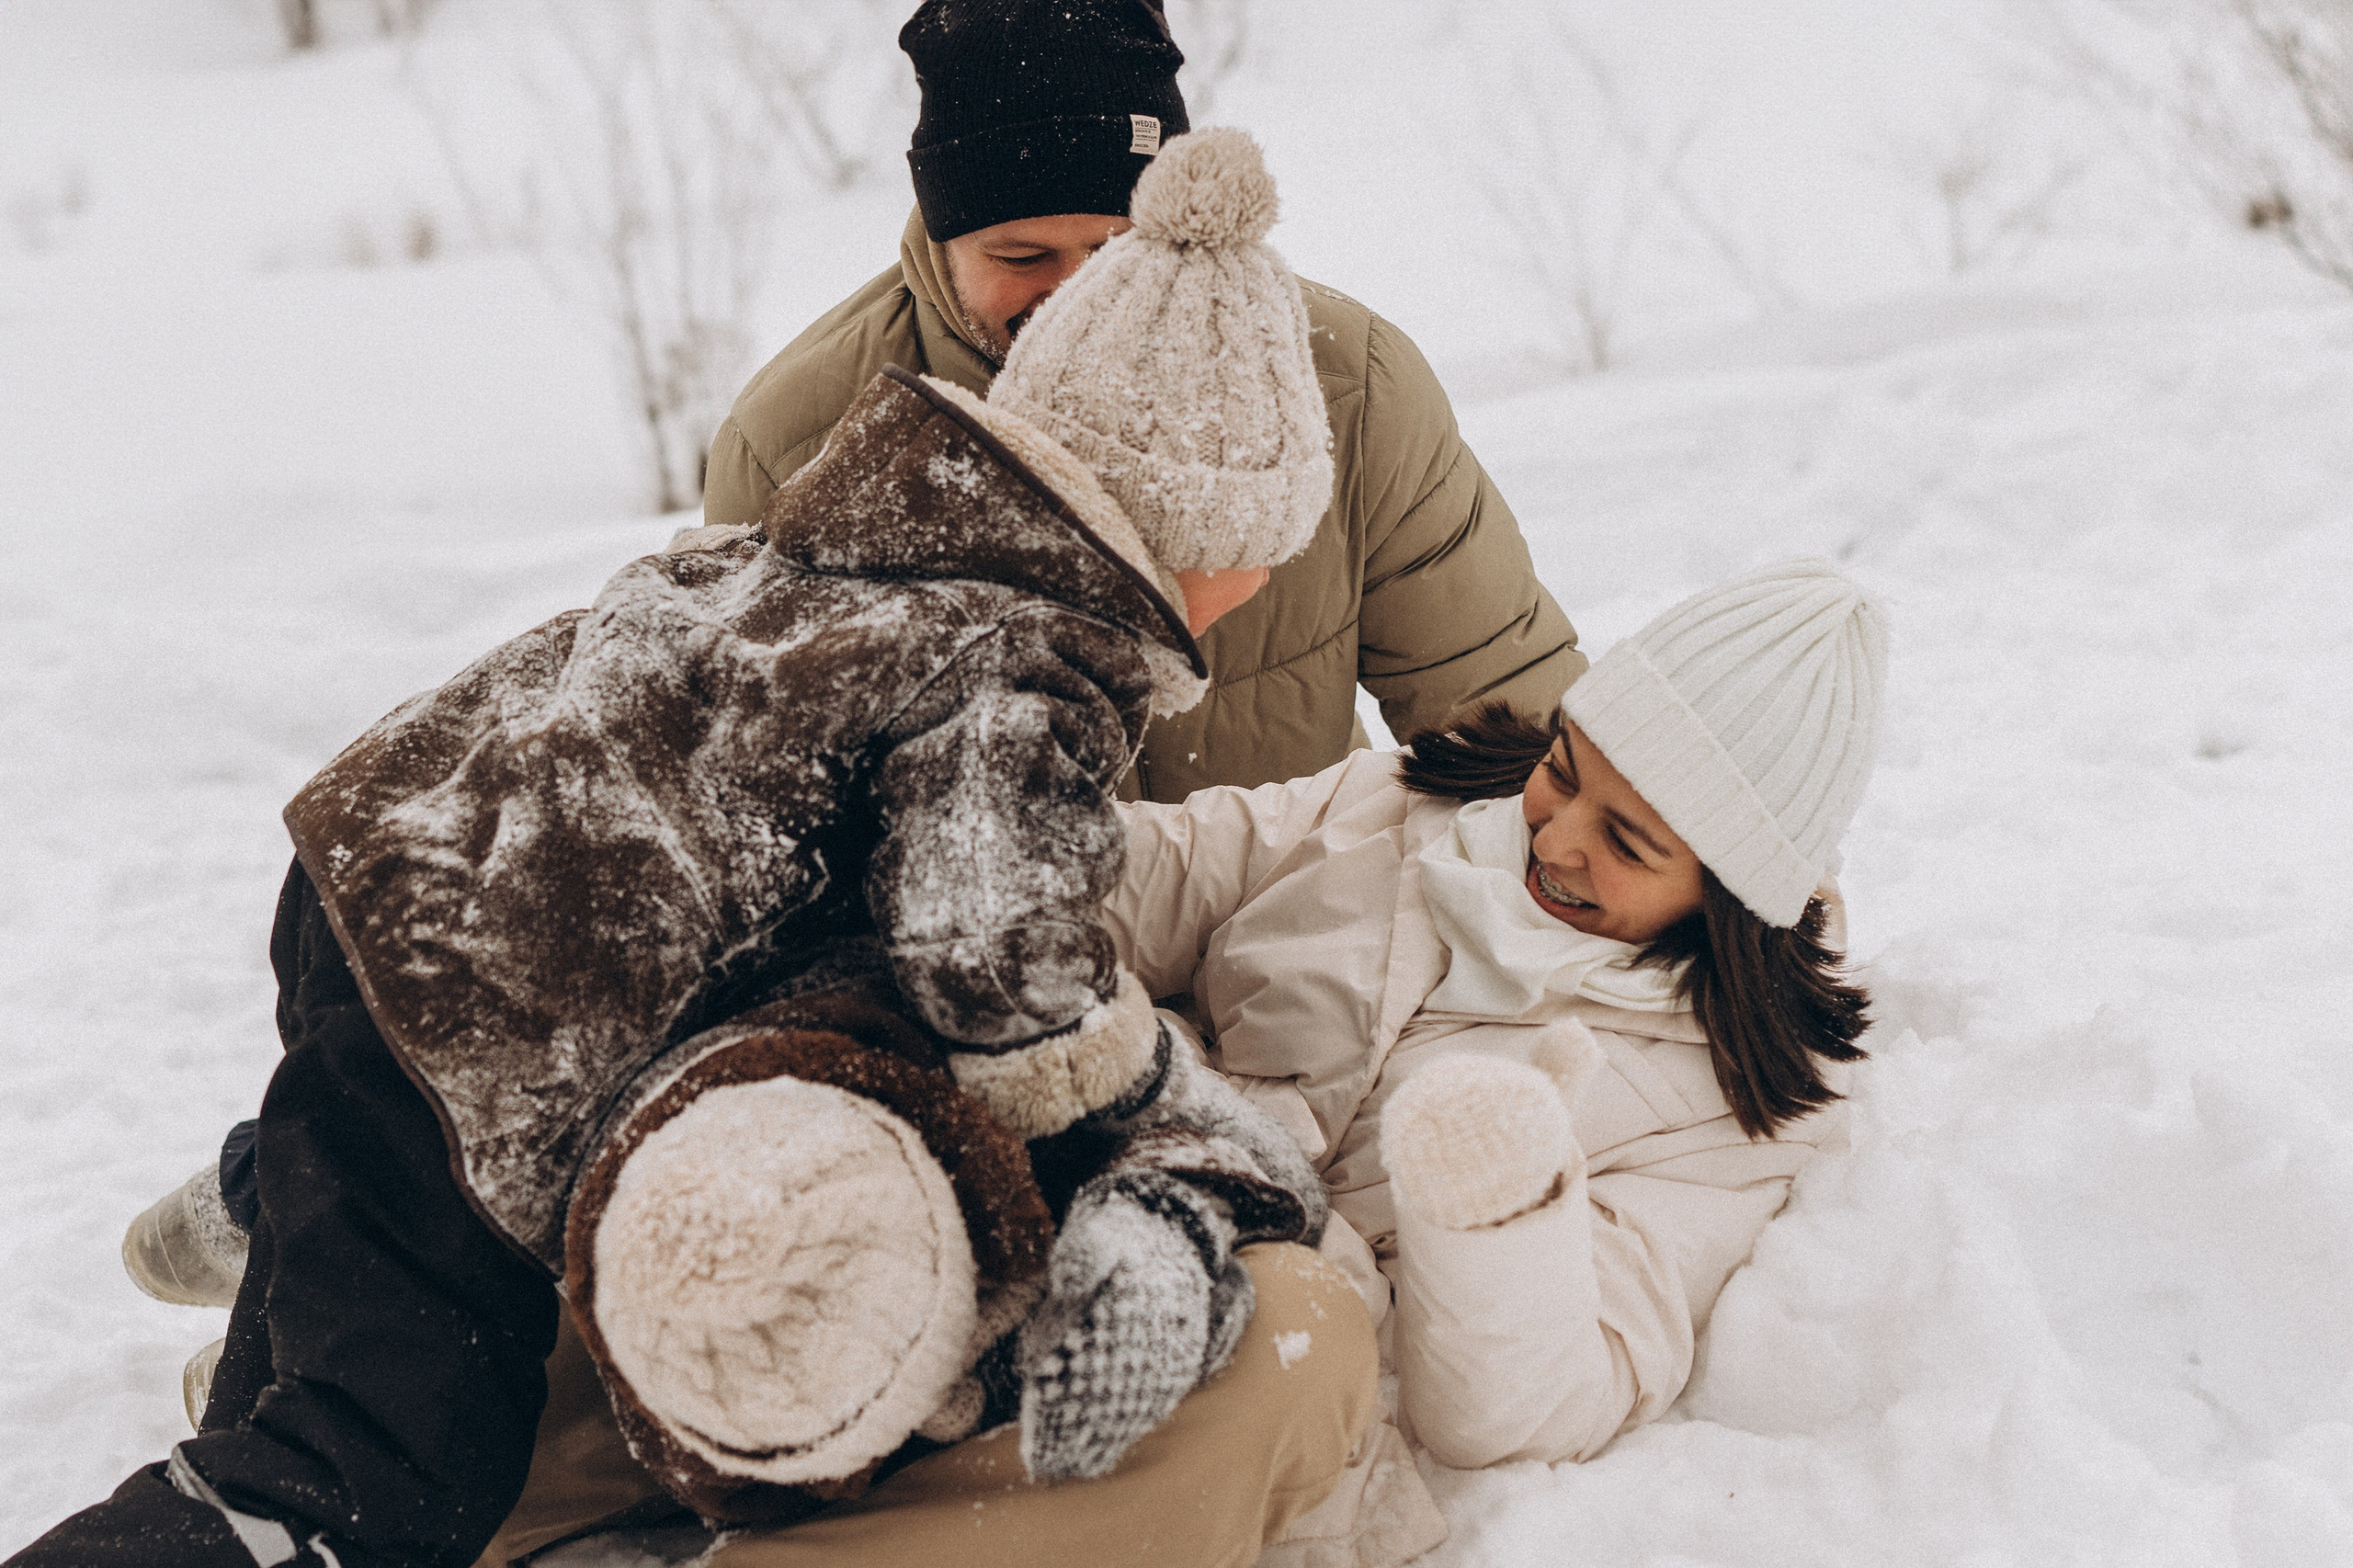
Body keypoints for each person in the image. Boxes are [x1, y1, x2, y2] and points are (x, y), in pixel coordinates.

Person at [15, 130, 1373, 1568]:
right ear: (1208, 530)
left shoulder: (853, 541)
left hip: (377, 883)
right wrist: (1158, 1113)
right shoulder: (1027, 661)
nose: (1267, 582)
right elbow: (990, 952)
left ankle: (261, 1248)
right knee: (370, 1480)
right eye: (1268, 547)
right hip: (498, 1013)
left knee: (284, 1408)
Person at [1089, 558, 1889, 1559]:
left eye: (1627, 843)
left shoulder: (1732, 1099)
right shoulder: (1404, 802)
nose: (1552, 838)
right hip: (1102, 1150)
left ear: (1728, 894)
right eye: (1563, 768)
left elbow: (1525, 1407)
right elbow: (1161, 871)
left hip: (1259, 1360)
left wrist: (1499, 1209)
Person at [707, 0, 1586, 805]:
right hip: (1009, 965)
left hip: (1302, 937)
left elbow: (1505, 715)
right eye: (1022, 259)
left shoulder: (1347, 379)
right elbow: (775, 814)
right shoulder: (796, 443)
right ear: (942, 237)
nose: (1083, 296)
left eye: (1122, 247)